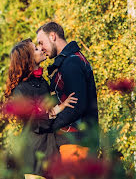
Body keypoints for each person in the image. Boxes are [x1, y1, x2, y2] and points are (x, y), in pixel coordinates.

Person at [3, 38, 77, 179]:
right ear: (28, 59)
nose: (41, 49)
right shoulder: (20, 90)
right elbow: (36, 122)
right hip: (34, 156)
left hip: (52, 150)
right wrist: (58, 108)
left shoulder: (43, 82)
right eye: (36, 49)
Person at [36, 22, 99, 165]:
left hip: (76, 142)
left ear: (52, 36)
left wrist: (49, 126)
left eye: (41, 42)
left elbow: (76, 106)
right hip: (73, 142)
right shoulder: (69, 61)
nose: (41, 48)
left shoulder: (72, 62)